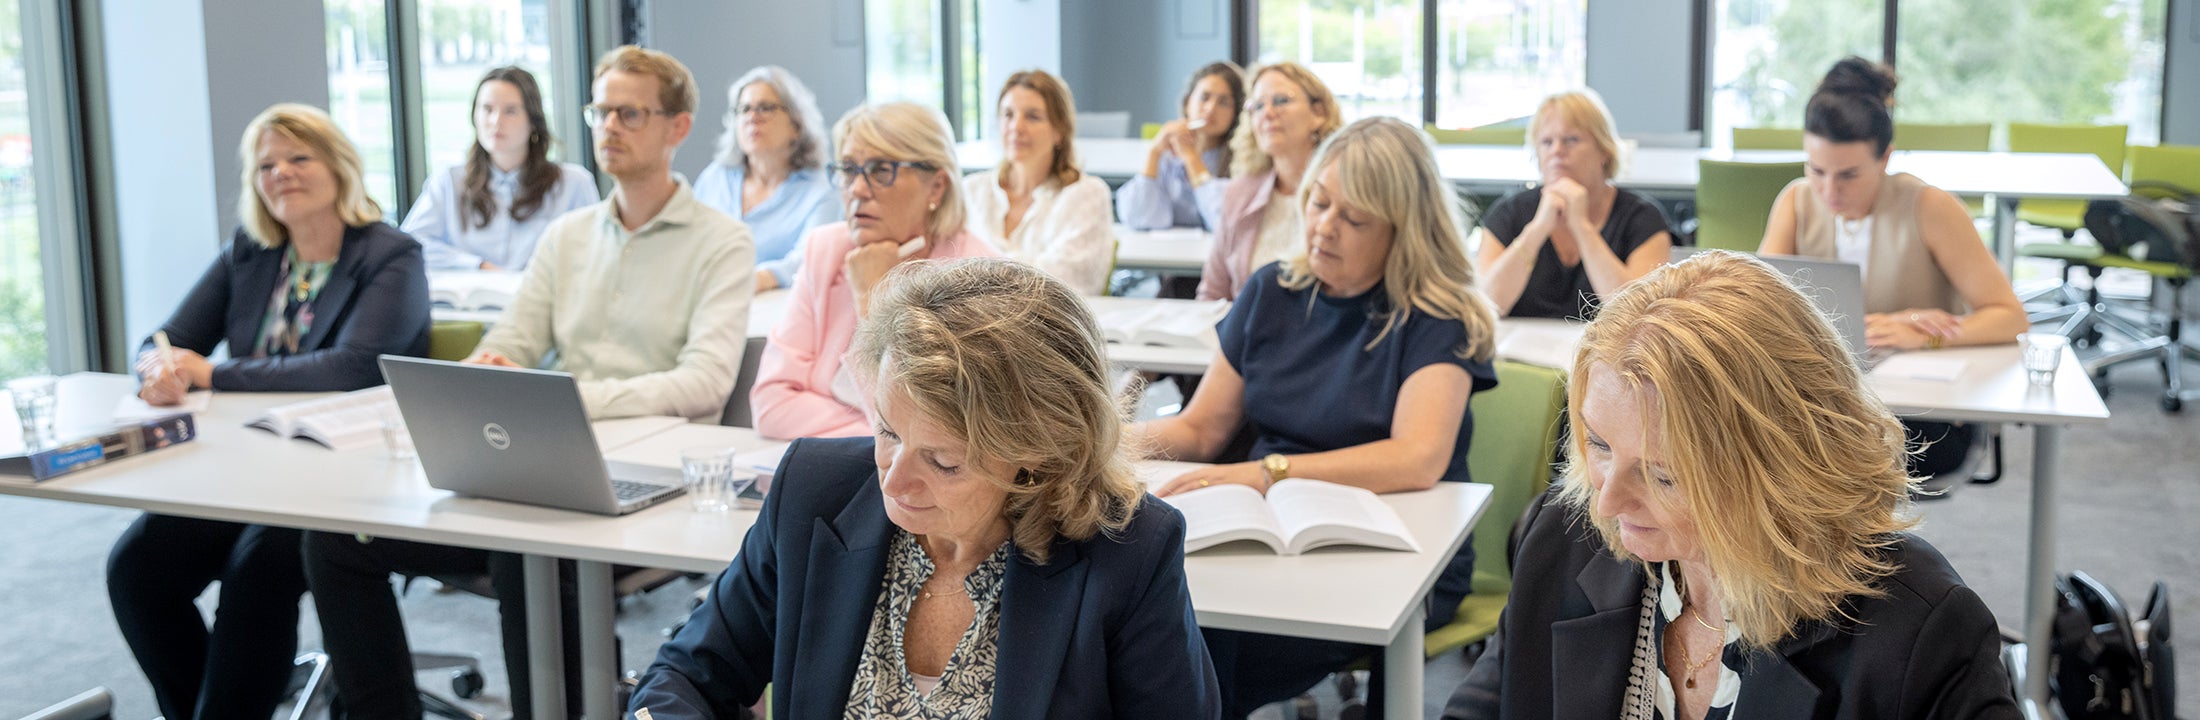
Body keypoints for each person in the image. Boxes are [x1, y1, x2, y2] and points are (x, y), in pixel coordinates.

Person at [302, 45, 754, 719]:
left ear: (677, 127)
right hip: (544, 463)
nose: (609, 127)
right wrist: (487, 377)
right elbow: (512, 341)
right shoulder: (569, 235)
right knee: (337, 541)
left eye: (630, 113)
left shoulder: (721, 241)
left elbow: (703, 384)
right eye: (601, 111)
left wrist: (568, 402)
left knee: (526, 553)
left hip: (652, 480)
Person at [630, 257, 1222, 719]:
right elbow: (685, 675)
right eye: (887, 431)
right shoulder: (816, 493)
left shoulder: (1129, 548)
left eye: (942, 460)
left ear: (1037, 455)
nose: (892, 478)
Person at [1441, 250, 2020, 719]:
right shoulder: (1563, 536)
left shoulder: (1921, 631)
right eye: (1599, 445)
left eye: (1663, 475)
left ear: (1782, 468)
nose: (1609, 500)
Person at [1137, 116, 1499, 717]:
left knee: (1204, 646)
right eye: (1318, 202)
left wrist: (1267, 473)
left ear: (1403, 230)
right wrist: (1095, 439)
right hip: (1266, 527)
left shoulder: (1438, 315)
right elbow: (1200, 429)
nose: (1323, 228)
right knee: (1161, 625)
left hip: (1401, 547)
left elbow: (1417, 457)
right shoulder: (1271, 291)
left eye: (1353, 219)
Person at [109, 102, 431, 720]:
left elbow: (354, 367)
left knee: (254, 571)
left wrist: (213, 374)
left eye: (298, 157)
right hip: (244, 469)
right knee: (138, 567)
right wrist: (160, 369)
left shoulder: (392, 255)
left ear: (338, 166)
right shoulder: (250, 252)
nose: (280, 172)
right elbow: (167, 338)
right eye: (266, 164)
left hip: (341, 481)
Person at [1758, 56, 2024, 479]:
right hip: (1825, 400)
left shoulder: (1931, 207)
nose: (1829, 190)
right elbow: (1760, 312)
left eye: (1848, 175)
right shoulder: (1795, 200)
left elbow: (2010, 318)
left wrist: (1921, 337)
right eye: (1817, 170)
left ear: (1885, 158)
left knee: (1802, 454)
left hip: (1919, 412)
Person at [751, 102, 1001, 440]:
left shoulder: (977, 282)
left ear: (937, 186)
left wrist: (872, 301)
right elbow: (771, 406)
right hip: (834, 471)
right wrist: (881, 438)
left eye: (881, 170)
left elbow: (942, 434)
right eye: (849, 169)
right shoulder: (826, 250)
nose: (857, 189)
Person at [1474, 88, 1672, 320]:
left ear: (1604, 151)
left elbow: (1638, 315)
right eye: (1546, 142)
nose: (1557, 151)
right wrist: (1537, 230)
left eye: (1571, 140)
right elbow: (1489, 305)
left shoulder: (1643, 218)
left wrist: (1582, 227)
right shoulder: (1510, 213)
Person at [400, 66, 598, 271]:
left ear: (533, 121)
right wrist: (478, 266)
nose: (496, 121)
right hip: (467, 300)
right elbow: (409, 245)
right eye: (487, 109)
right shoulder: (449, 181)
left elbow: (595, 254)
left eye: (510, 111)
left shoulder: (573, 184)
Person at [1197, 61, 1342, 301]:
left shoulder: (1345, 194)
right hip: (1246, 335)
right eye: (1257, 106)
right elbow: (1212, 292)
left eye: (1281, 101)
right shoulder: (1239, 193)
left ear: (1319, 113)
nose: (1268, 113)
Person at [961, 69, 1113, 295]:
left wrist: (979, 276)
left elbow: (1064, 285)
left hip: (1048, 327)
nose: (1016, 127)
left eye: (1032, 117)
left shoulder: (1086, 194)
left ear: (1059, 131)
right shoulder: (971, 191)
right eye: (1008, 115)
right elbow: (945, 271)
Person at [692, 65, 841, 292]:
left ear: (796, 124)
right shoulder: (715, 178)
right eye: (744, 109)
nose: (752, 117)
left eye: (765, 108)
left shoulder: (823, 190)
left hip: (778, 309)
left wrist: (759, 279)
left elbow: (811, 259)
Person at [1116, 60, 1244, 232]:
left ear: (1236, 113)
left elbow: (1224, 222)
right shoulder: (1168, 155)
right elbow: (1140, 218)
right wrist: (1154, 153)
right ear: (1187, 103)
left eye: (1223, 102)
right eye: (1204, 97)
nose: (1210, 108)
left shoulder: (1242, 159)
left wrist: (1191, 157)